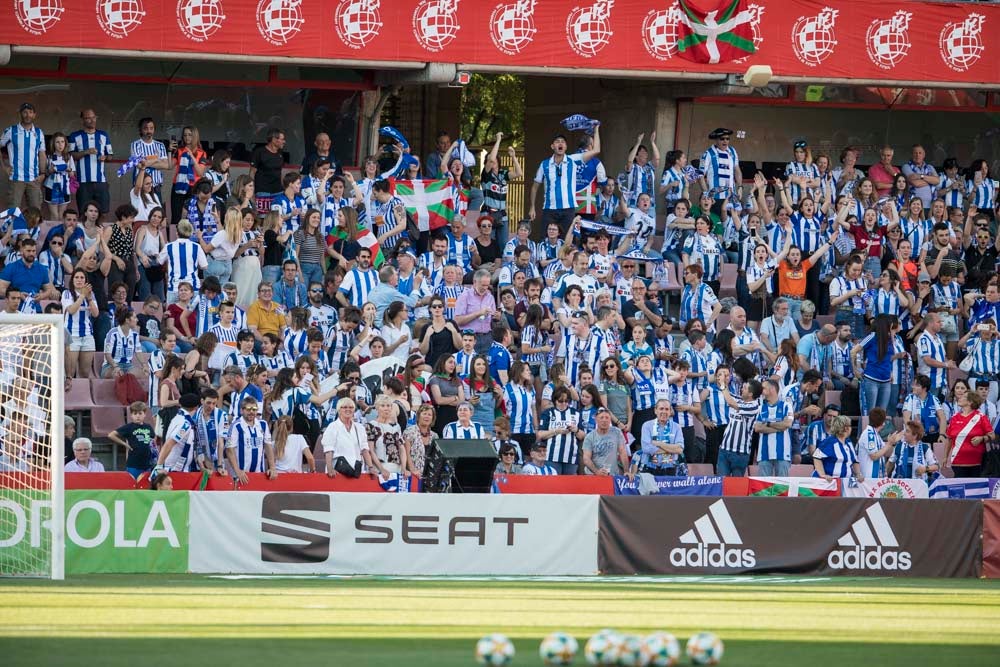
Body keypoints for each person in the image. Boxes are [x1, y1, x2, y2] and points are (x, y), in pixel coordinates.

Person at [529, 127, 601, 231]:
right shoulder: (544, 164)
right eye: (557, 142)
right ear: (552, 146)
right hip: (549, 209)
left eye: (563, 142)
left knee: (567, 243)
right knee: (545, 240)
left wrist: (596, 131)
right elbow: (535, 187)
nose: (560, 144)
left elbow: (596, 150)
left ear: (566, 146)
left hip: (568, 209)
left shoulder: (573, 160)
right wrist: (532, 207)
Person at [1, 102, 46, 210]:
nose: (27, 115)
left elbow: (42, 154)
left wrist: (43, 173)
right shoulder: (11, 131)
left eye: (30, 112)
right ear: (20, 114)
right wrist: (4, 167)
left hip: (34, 179)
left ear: (34, 115)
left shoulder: (39, 133)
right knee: (13, 212)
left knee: (35, 213)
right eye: (25, 112)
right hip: (16, 178)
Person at [69, 108, 113, 217]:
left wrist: (105, 157)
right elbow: (70, 156)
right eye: (88, 118)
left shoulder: (104, 135)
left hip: (100, 181)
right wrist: (86, 152)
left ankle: (101, 234)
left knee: (103, 212)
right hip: (83, 182)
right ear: (82, 120)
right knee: (84, 213)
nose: (91, 120)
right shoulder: (75, 136)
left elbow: (110, 156)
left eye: (93, 117)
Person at [851, 314, 898, 412]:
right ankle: (865, 427)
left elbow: (890, 357)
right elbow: (853, 351)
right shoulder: (872, 336)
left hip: (886, 379)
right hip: (872, 379)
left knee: (882, 412)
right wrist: (855, 370)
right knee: (869, 411)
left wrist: (891, 372)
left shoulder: (890, 339)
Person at [716, 378, 762, 477]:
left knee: (736, 486)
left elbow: (730, 402)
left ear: (750, 394)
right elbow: (727, 393)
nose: (741, 389)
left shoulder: (754, 407)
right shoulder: (740, 399)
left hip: (740, 453)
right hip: (724, 449)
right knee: (722, 483)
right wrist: (722, 379)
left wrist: (723, 386)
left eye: (745, 388)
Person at [225, 398, 276, 484]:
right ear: (241, 411)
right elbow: (229, 450)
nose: (251, 412)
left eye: (254, 409)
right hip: (241, 475)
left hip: (259, 473)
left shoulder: (263, 424)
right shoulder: (236, 426)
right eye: (248, 409)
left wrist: (272, 467)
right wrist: (237, 471)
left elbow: (268, 446)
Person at [321, 397, 375, 478]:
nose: (348, 409)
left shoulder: (360, 427)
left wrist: (371, 467)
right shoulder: (332, 427)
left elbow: (364, 449)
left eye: (351, 407)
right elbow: (328, 450)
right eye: (344, 407)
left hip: (355, 471)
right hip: (337, 471)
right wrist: (330, 468)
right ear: (339, 410)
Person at [158, 220, 209, 305]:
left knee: (171, 316)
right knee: (193, 316)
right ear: (190, 233)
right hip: (193, 288)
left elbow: (159, 261)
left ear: (177, 233)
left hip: (174, 288)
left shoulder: (169, 246)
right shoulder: (196, 247)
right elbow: (204, 266)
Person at [945, 391, 994, 478]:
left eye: (963, 397)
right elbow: (949, 439)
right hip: (957, 462)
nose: (959, 398)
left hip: (977, 463)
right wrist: (945, 457)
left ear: (970, 402)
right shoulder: (954, 418)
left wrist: (982, 438)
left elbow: (992, 435)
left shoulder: (981, 417)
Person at [62, 268, 100, 379]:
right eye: (76, 277)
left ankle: (81, 395)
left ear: (86, 281)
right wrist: (82, 296)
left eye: (82, 277)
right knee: (70, 372)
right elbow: (71, 310)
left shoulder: (91, 294)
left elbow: (96, 314)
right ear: (72, 280)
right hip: (72, 335)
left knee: (84, 373)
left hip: (87, 335)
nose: (79, 280)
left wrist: (89, 298)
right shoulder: (67, 293)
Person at [537, 387, 582, 475]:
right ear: (555, 400)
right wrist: (557, 431)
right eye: (561, 401)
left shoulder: (576, 413)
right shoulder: (548, 413)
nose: (564, 404)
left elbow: (582, 435)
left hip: (571, 457)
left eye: (566, 401)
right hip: (552, 456)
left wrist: (575, 430)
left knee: (569, 486)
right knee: (553, 486)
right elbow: (540, 434)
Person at [754, 379, 794, 476]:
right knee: (763, 488)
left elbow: (787, 424)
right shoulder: (761, 408)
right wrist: (779, 426)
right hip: (764, 454)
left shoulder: (786, 406)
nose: (761, 391)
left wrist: (768, 424)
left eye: (763, 388)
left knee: (782, 488)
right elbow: (757, 428)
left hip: (782, 454)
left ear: (772, 389)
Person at [108, 401, 157, 479]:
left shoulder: (148, 427)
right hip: (133, 463)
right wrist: (125, 444)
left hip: (147, 463)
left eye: (140, 413)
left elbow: (153, 440)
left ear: (144, 414)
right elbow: (111, 435)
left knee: (145, 485)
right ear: (131, 415)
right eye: (135, 414)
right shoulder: (129, 427)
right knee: (133, 484)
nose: (137, 416)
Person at [129, 117, 172, 203]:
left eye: (151, 128)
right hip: (140, 185)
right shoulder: (135, 144)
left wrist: (146, 161)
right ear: (140, 130)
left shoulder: (160, 145)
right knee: (141, 213)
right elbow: (139, 164)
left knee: (157, 213)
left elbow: (166, 165)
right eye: (146, 128)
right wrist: (156, 159)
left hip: (156, 186)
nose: (149, 131)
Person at [638, 399, 685, 475]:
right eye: (661, 409)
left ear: (670, 412)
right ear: (655, 410)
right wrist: (672, 448)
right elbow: (646, 448)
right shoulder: (647, 425)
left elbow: (679, 449)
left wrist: (659, 443)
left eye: (667, 409)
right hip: (649, 467)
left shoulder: (677, 427)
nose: (664, 412)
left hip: (670, 468)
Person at [812, 415, 863, 481]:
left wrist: (858, 474)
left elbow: (855, 461)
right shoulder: (830, 441)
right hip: (828, 484)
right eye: (850, 426)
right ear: (846, 428)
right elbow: (816, 457)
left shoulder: (848, 442)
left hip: (844, 483)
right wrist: (823, 475)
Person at [581, 407, 629, 476]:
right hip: (593, 475)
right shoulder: (589, 436)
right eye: (601, 418)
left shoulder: (617, 432)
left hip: (612, 475)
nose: (604, 420)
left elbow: (623, 452)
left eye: (607, 418)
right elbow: (586, 458)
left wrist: (626, 471)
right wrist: (597, 472)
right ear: (596, 420)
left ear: (610, 420)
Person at [249, 127, 286, 214]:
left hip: (278, 191)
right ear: (273, 139)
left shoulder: (280, 154)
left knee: (277, 217)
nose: (284, 141)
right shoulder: (259, 152)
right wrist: (251, 191)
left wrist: (284, 189)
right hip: (263, 191)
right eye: (282, 139)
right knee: (263, 217)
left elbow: (280, 173)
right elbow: (252, 173)